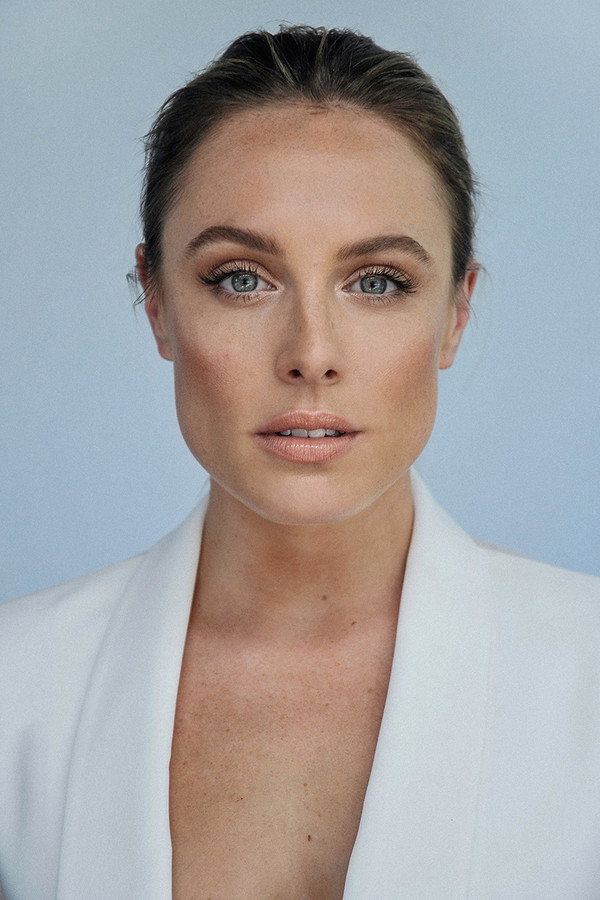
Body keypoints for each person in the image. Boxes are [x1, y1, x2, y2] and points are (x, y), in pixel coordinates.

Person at [1, 24, 599, 900]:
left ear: (456, 315)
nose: (311, 354)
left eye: (378, 281)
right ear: (158, 303)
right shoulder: (16, 686)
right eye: (242, 278)